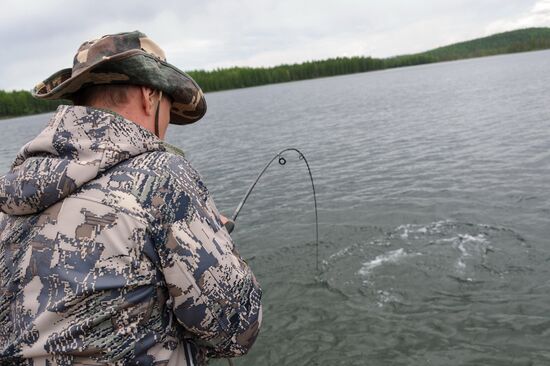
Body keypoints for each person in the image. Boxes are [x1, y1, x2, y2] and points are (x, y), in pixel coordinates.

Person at [0, 31, 262, 365]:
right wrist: (213, 244)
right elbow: (238, 328)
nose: (168, 122)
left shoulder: (15, 187)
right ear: (150, 95)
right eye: (168, 105)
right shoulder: (161, 177)